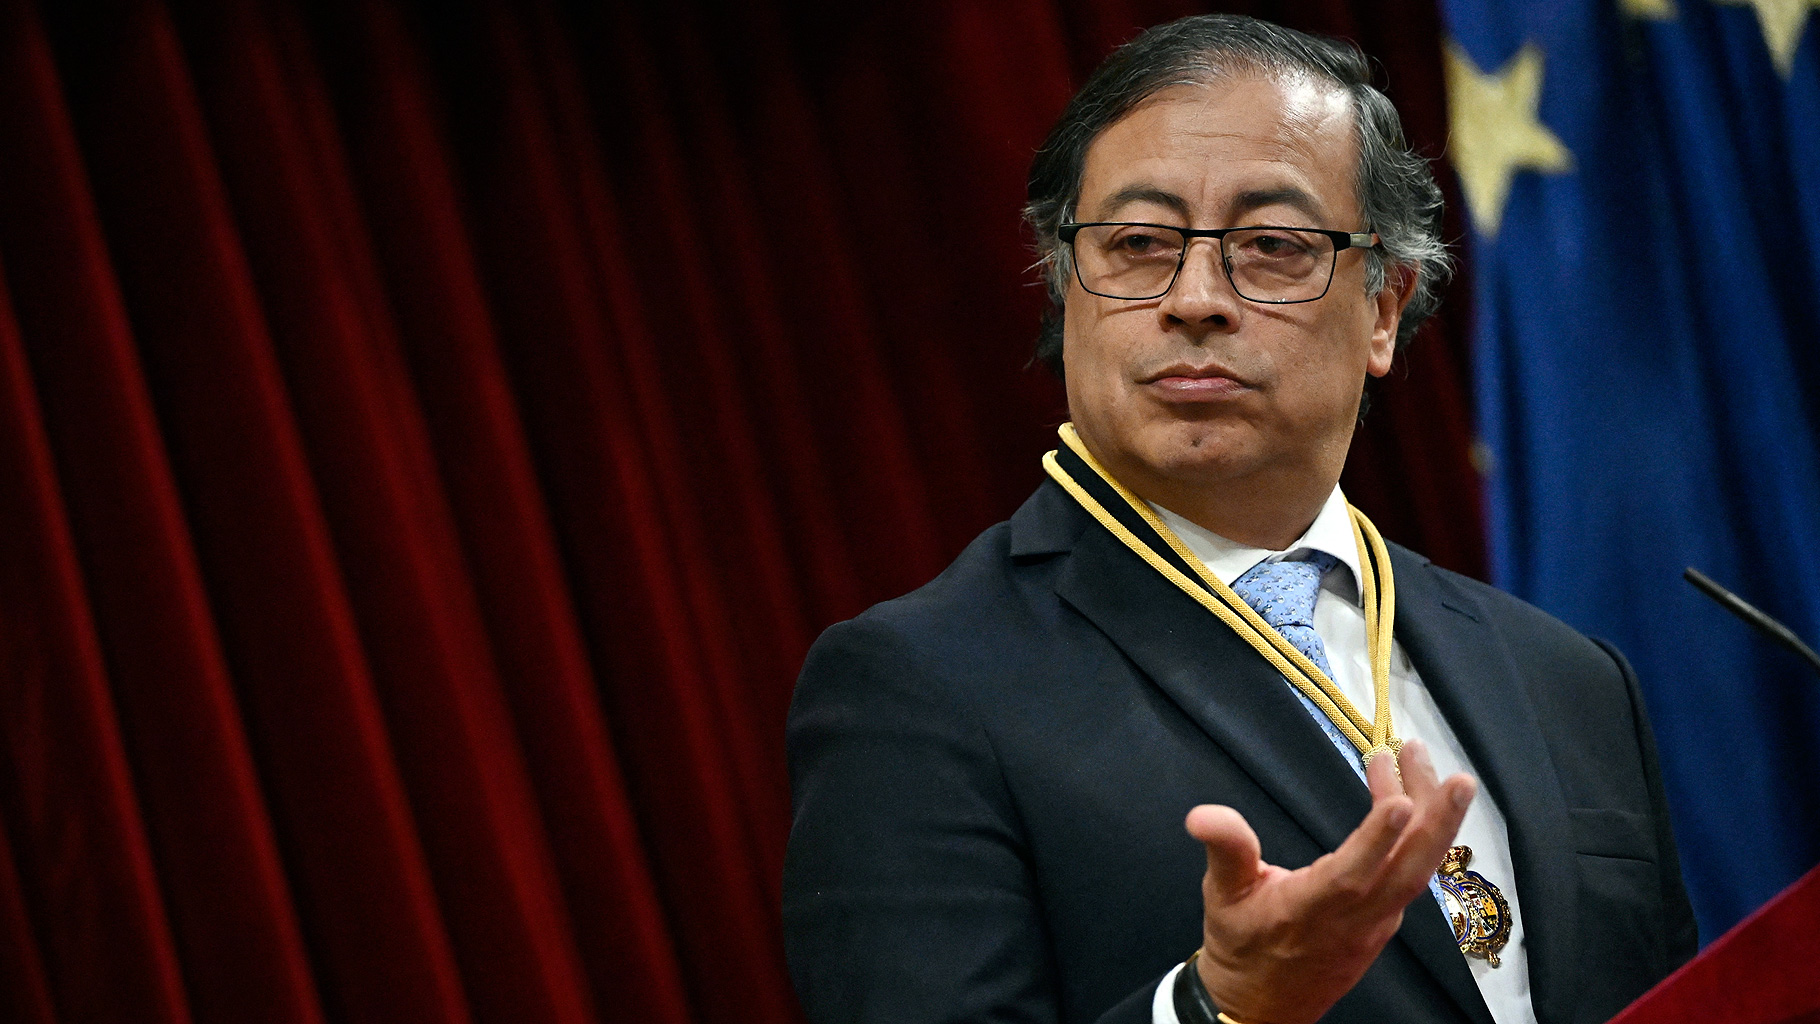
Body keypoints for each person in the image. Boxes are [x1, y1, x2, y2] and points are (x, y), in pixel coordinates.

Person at [782, 15, 1696, 1024]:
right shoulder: (922, 690)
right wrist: (1219, 1007)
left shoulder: (1569, 679)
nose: (1195, 299)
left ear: (1383, 309)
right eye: (1137, 245)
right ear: (1064, 288)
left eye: (1270, 247)